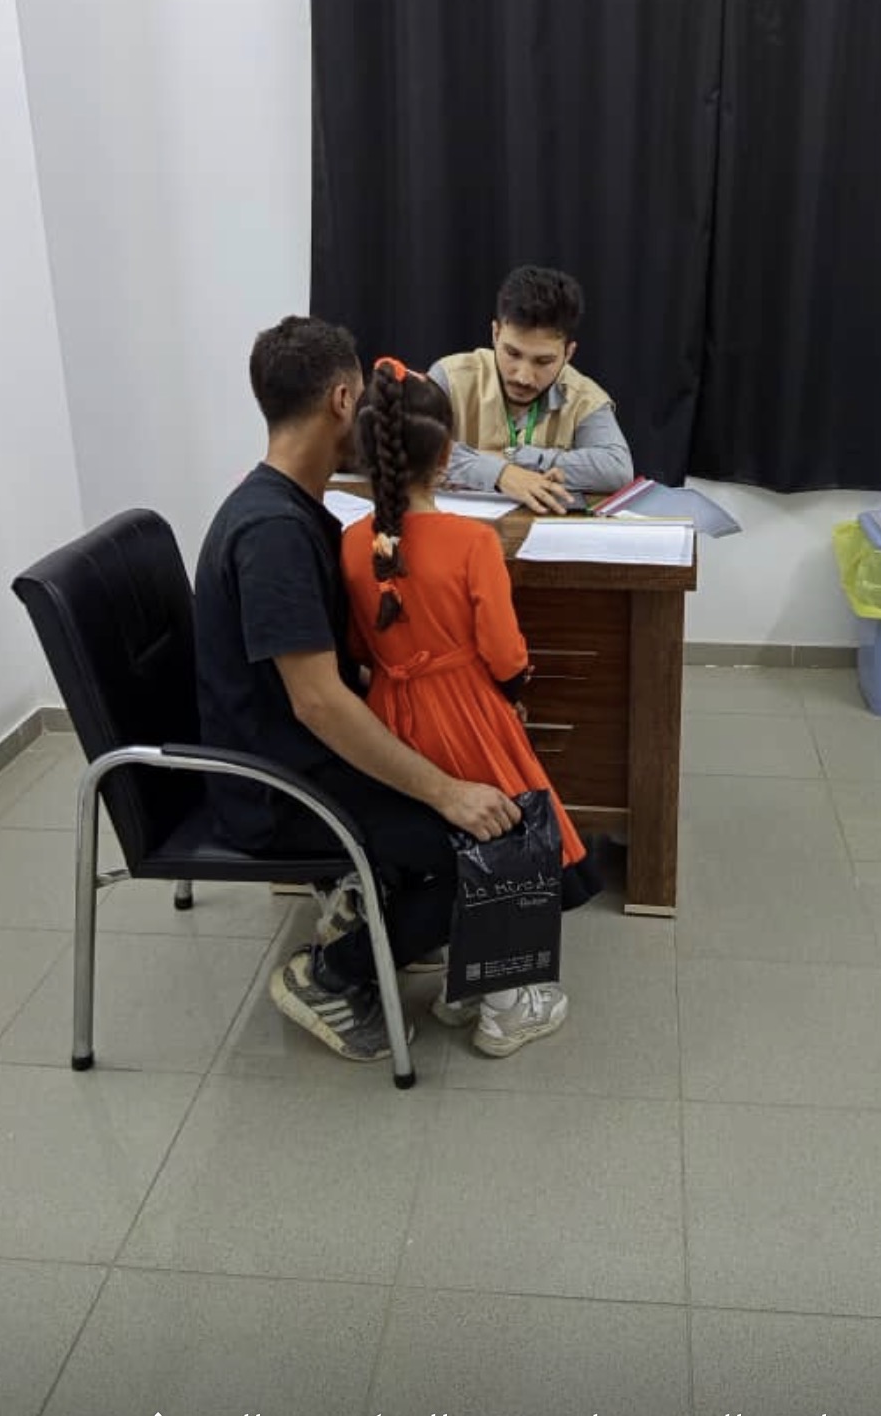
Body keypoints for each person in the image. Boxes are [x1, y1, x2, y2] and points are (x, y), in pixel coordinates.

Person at [192, 315, 522, 1065]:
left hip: (290, 754)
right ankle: (329, 975)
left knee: (472, 792)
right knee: (481, 847)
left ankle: (378, 918)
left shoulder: (290, 507)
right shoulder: (273, 534)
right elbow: (317, 702)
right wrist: (445, 792)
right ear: (343, 399)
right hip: (277, 791)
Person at [341, 356, 584, 1055]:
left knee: (441, 854)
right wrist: (513, 689)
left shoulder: (353, 544)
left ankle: (465, 983)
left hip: (389, 716)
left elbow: (359, 642)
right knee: (502, 850)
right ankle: (507, 1008)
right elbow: (504, 652)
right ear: (447, 458)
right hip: (468, 717)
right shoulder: (474, 542)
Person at [429, 264, 633, 514]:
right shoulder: (450, 376)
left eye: (543, 361)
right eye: (512, 353)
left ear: (568, 353)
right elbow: (413, 449)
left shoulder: (586, 398)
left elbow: (616, 469)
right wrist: (502, 474)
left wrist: (512, 458)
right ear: (495, 334)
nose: (524, 377)